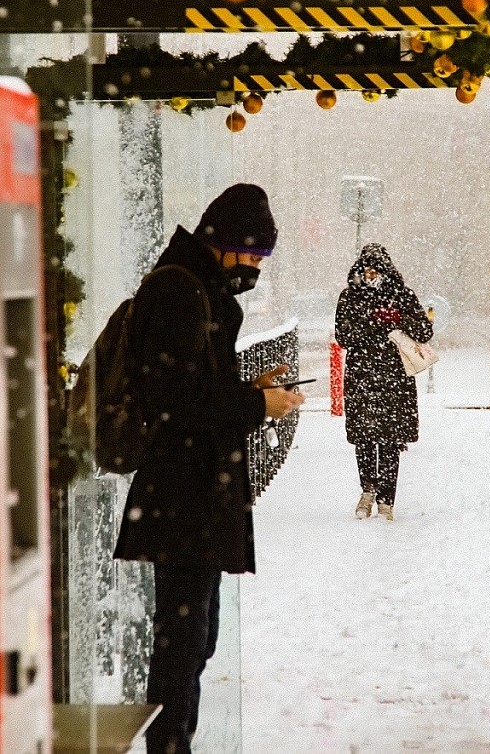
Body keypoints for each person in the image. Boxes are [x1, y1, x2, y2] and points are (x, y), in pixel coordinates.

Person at [113, 183, 304, 753]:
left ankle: (174, 744)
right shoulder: (180, 290)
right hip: (182, 500)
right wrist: (254, 405)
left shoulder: (196, 285)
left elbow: (192, 388)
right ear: (220, 242)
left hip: (190, 498)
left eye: (263, 257)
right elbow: (176, 399)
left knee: (194, 643)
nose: (256, 267)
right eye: (251, 253)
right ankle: (170, 748)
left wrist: (249, 390)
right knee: (182, 648)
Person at [334, 243, 433, 522]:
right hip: (363, 376)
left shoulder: (402, 296)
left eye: (376, 269)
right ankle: (367, 490)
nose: (371, 274)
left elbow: (425, 330)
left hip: (395, 377)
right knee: (364, 438)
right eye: (366, 269)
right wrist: (375, 322)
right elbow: (343, 336)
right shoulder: (350, 297)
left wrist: (398, 320)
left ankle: (386, 499)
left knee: (390, 439)